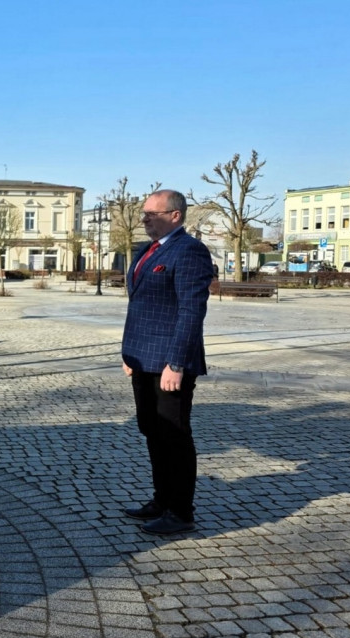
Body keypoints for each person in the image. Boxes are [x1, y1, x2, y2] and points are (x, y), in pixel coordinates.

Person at [121, 190, 213, 535]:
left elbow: (191, 312)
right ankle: (161, 499)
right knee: (151, 430)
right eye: (143, 213)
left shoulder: (189, 251)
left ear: (175, 215)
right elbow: (140, 307)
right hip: (141, 359)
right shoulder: (147, 251)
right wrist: (128, 353)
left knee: (174, 435)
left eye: (152, 214)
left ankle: (180, 511)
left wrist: (176, 363)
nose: (144, 218)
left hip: (170, 363)